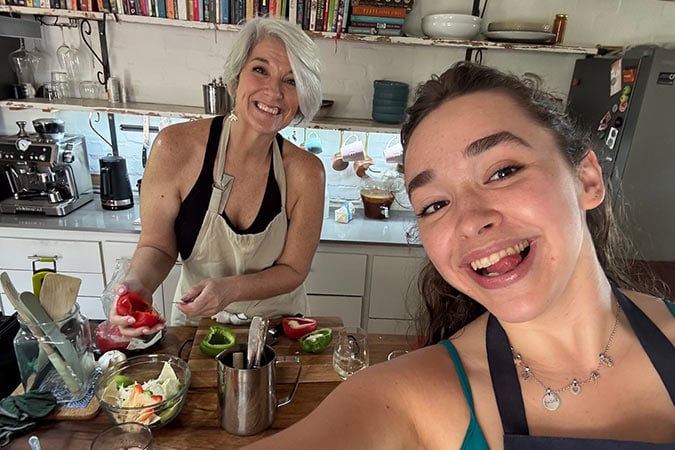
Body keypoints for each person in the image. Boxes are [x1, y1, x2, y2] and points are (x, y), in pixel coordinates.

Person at [241, 62, 674, 449]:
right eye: (434, 204)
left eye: (503, 172)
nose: (469, 221)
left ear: (587, 180)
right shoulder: (408, 397)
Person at [110, 16, 325, 335]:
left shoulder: (307, 172)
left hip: (279, 329)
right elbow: (158, 246)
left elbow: (294, 270)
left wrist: (230, 290)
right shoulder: (174, 148)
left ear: (302, 98)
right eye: (260, 69)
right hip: (197, 326)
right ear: (235, 78)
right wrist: (137, 285)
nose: (274, 92)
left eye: (291, 81)